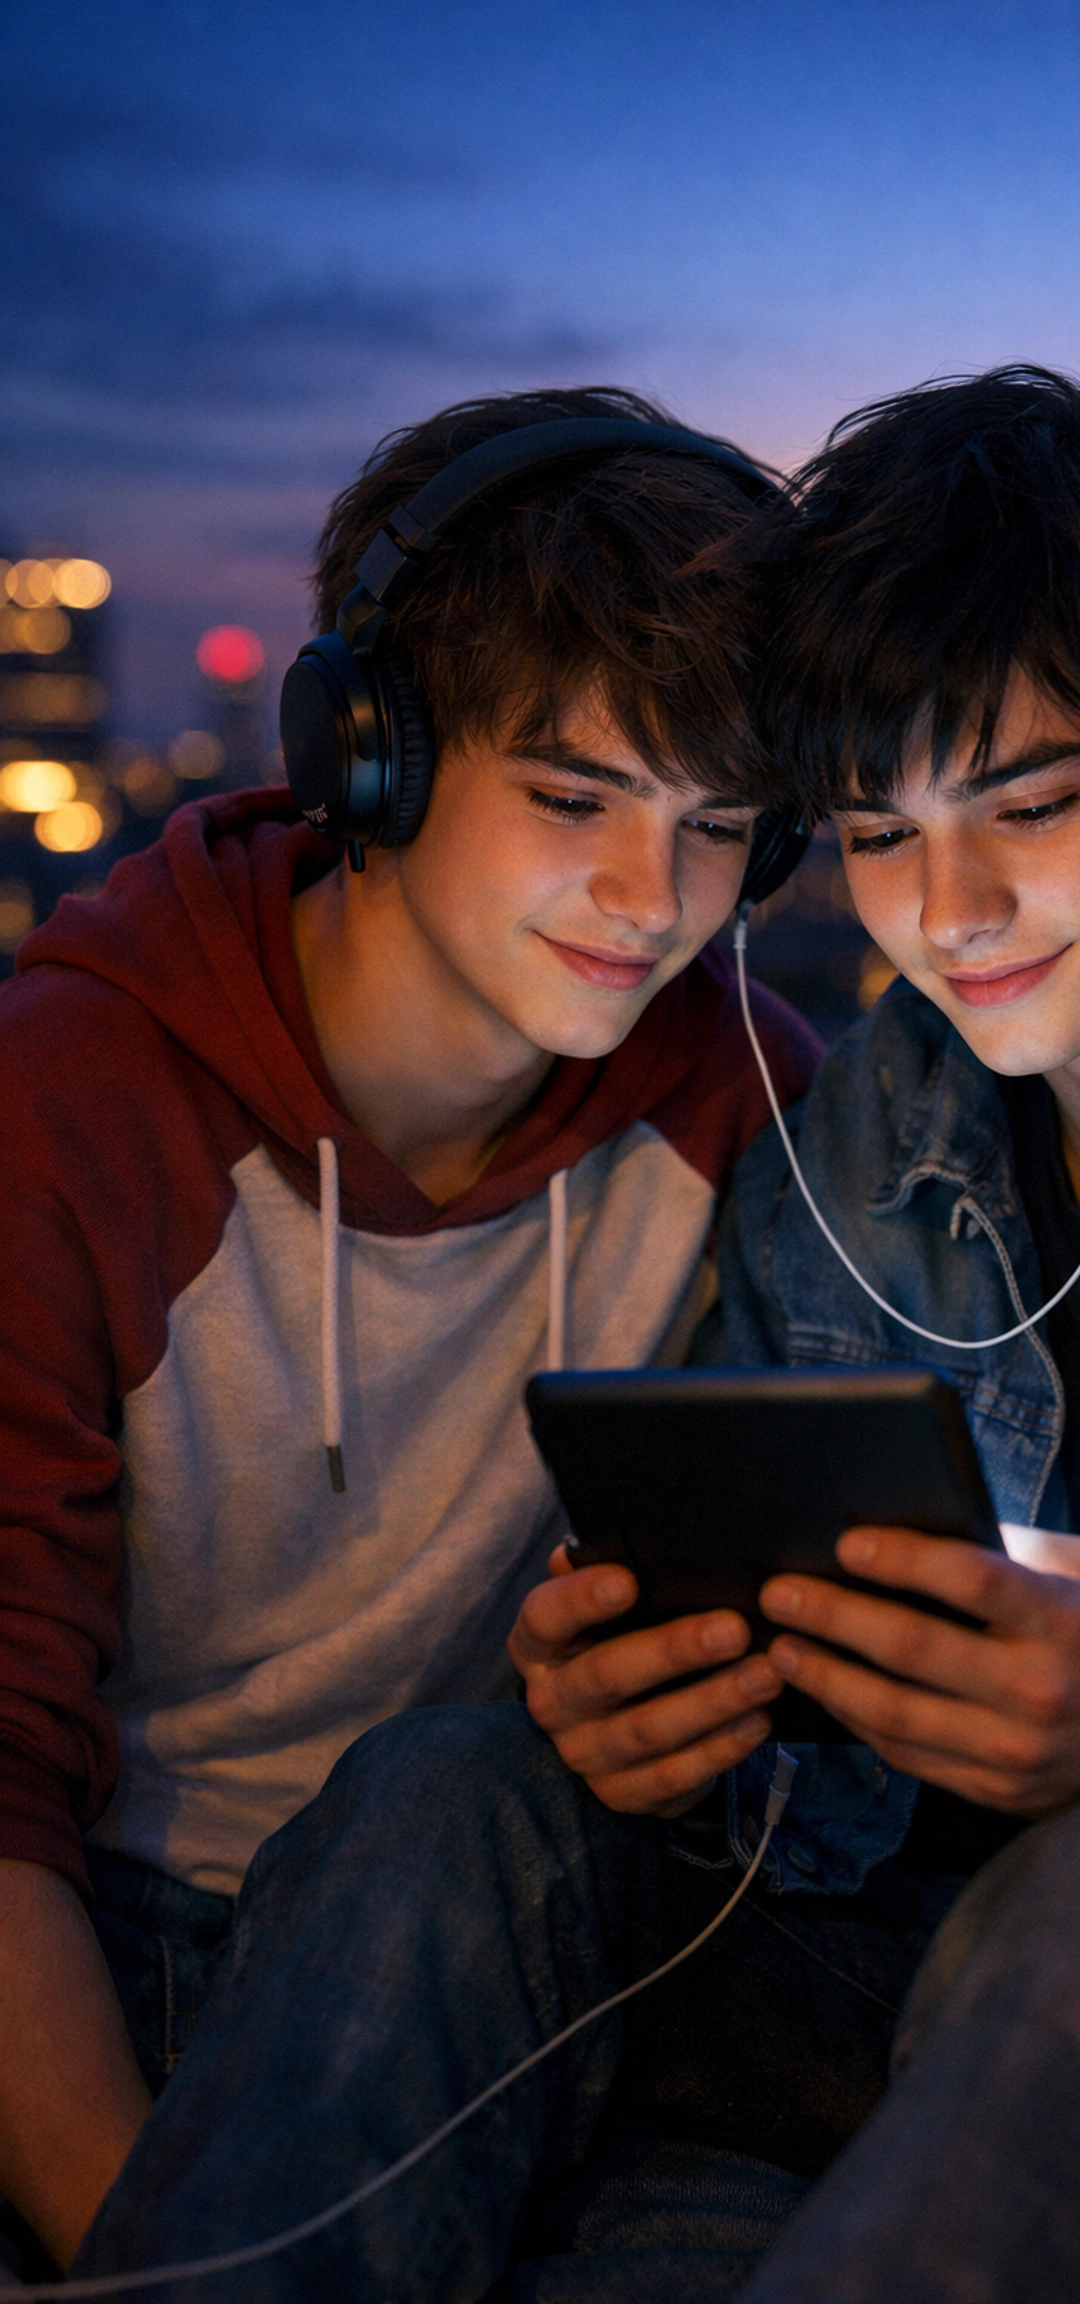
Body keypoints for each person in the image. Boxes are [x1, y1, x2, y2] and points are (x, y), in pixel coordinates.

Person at [76, 369, 1080, 2302]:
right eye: (871, 831)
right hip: (961, 2015)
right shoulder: (857, 1154)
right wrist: (664, 1714)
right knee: (456, 1786)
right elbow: (777, 1777)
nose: (950, 914)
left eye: (1029, 804)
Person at [0, 386, 818, 2275]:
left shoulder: (757, 1105)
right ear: (366, 754)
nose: (650, 899)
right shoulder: (72, 1100)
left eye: (717, 829)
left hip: (507, 1937)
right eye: (572, 796)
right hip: (115, 1943)